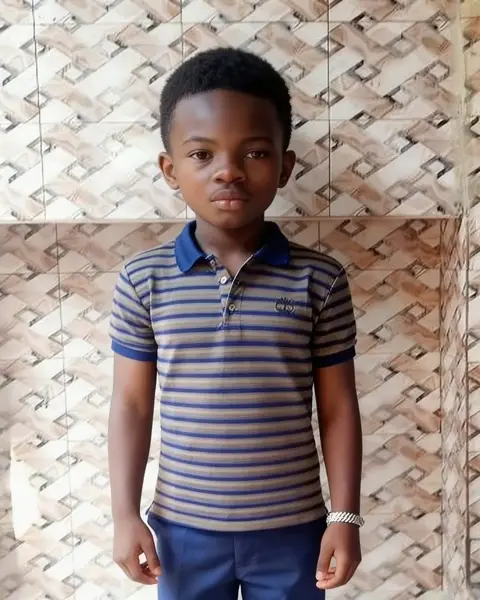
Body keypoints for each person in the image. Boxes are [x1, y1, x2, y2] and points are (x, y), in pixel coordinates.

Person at [108, 47, 363, 600]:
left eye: (255, 152)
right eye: (202, 153)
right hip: (182, 533)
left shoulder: (319, 280)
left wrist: (345, 516)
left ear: (284, 167)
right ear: (170, 170)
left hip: (294, 531)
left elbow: (339, 407)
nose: (228, 170)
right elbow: (130, 405)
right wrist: (124, 515)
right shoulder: (143, 279)